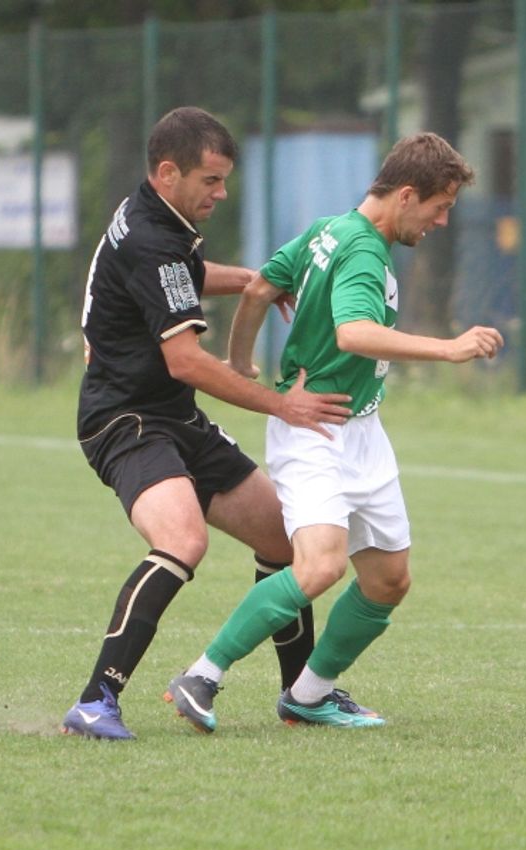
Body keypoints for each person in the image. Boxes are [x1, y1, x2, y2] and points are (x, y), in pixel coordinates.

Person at [165, 131, 503, 733]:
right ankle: (202, 675)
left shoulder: (329, 229)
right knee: (320, 567)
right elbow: (353, 333)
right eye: (439, 206)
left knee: (389, 579)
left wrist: (243, 360)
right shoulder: (364, 251)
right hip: (315, 432)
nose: (442, 221)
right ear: (405, 195)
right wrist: (449, 348)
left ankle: (309, 694)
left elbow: (261, 287)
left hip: (362, 430)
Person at [61, 106, 353, 740]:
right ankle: (94, 703)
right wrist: (282, 403)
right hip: (124, 420)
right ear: (169, 173)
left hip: (172, 415)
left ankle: (300, 694)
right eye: (211, 182)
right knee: (184, 542)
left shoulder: (159, 220)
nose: (221, 195)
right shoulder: (151, 238)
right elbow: (186, 359)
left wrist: (254, 281)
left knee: (282, 536)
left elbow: (184, 278)